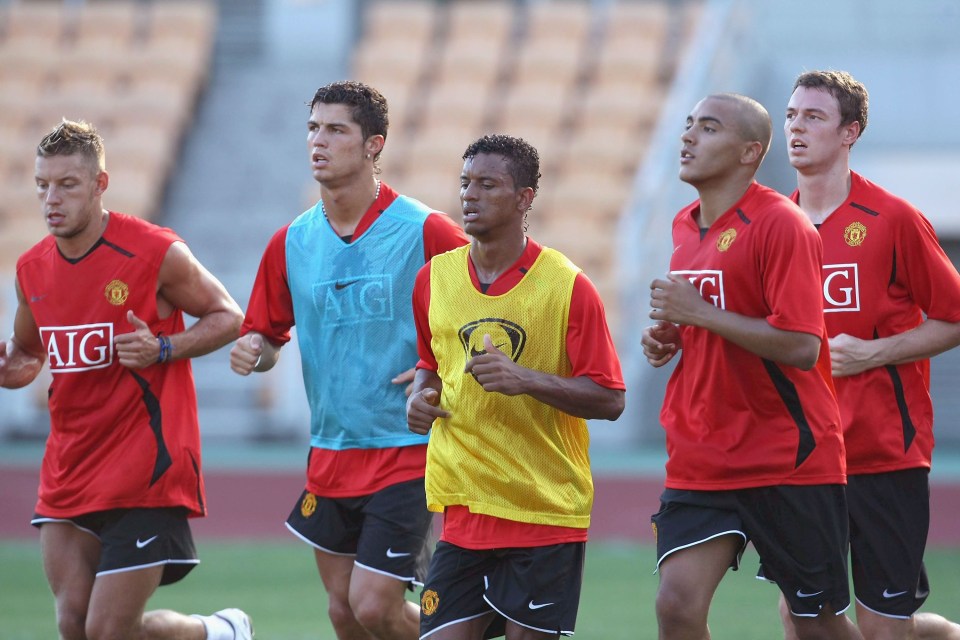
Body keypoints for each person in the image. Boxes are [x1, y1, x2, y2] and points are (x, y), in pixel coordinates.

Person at [228, 80, 469, 640]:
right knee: (343, 611)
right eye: (313, 128)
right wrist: (254, 352)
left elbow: (488, 306)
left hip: (409, 450)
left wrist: (440, 365)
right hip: (331, 451)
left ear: (373, 145)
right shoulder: (289, 242)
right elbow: (266, 339)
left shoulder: (425, 229)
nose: (319, 140)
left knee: (374, 604)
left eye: (336, 129)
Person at [0, 119, 250, 639]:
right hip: (69, 469)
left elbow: (228, 316)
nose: (52, 198)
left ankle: (218, 632)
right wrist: (10, 370)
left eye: (67, 184)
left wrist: (163, 347)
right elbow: (28, 356)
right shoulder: (31, 270)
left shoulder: (154, 251)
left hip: (146, 466)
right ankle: (217, 633)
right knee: (74, 626)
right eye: (43, 185)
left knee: (107, 631)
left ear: (99, 185)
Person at [641, 93, 862, 640]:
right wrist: (672, 336)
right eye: (689, 125)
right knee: (676, 605)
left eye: (708, 128)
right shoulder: (682, 226)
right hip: (703, 452)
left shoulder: (782, 224)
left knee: (818, 625)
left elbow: (802, 345)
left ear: (749, 152)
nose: (688, 137)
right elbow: (714, 321)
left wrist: (700, 313)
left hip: (787, 456)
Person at [406, 133, 626, 640]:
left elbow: (611, 398)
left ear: (525, 198)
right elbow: (430, 362)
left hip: (542, 512)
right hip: (465, 509)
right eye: (465, 183)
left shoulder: (567, 286)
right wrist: (419, 396)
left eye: (488, 184)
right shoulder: (433, 279)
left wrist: (525, 379)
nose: (469, 195)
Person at [780, 69, 960, 640]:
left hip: (885, 455)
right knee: (804, 617)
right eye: (790, 115)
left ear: (850, 132)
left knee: (883, 629)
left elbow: (954, 317)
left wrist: (874, 353)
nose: (796, 128)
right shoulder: (768, 227)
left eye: (813, 117)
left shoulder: (894, 220)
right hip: (799, 457)